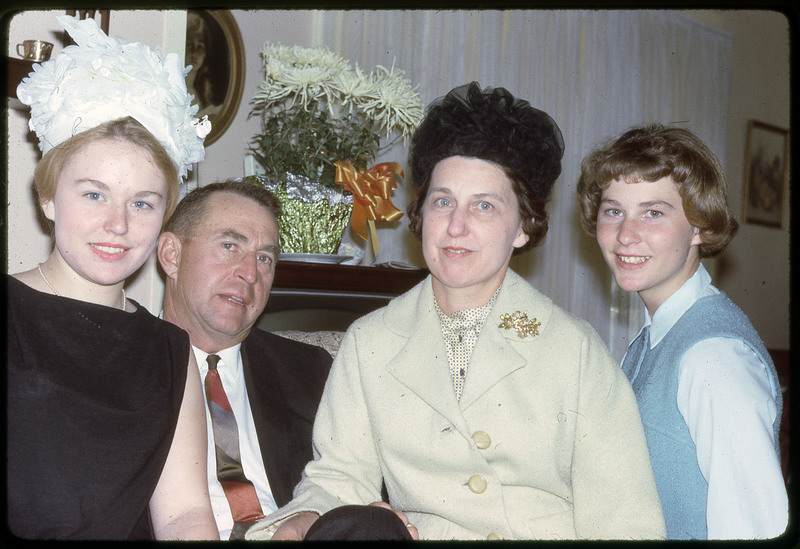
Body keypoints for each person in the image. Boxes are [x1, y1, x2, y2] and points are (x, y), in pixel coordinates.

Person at [247, 82, 666, 541]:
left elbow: (625, 524)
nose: (456, 226)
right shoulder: (370, 342)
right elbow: (339, 478)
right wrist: (300, 522)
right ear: (421, 214)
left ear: (524, 226)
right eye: (443, 201)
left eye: (483, 206)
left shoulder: (577, 351)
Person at [8, 15, 217, 539]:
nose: (118, 225)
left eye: (142, 203)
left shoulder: (172, 354)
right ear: (50, 197)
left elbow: (184, 514)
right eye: (94, 194)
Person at [576, 123, 787, 539]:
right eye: (613, 210)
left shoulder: (713, 358)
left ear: (700, 228)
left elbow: (754, 530)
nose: (625, 234)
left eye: (653, 212)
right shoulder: (649, 341)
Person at [156, 179, 333, 540]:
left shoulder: (310, 370)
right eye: (229, 245)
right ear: (172, 255)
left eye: (265, 258)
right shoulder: (122, 363)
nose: (250, 274)